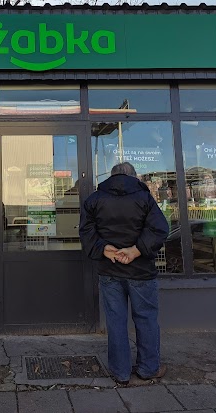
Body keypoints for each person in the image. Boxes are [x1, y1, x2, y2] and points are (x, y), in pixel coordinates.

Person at [79, 162, 169, 385]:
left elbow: (86, 231)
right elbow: (159, 229)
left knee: (115, 321)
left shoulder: (94, 199)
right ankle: (149, 368)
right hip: (141, 271)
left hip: (109, 270)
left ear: (112, 177)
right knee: (146, 319)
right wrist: (136, 250)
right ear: (133, 176)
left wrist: (104, 249)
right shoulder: (144, 198)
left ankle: (121, 373)